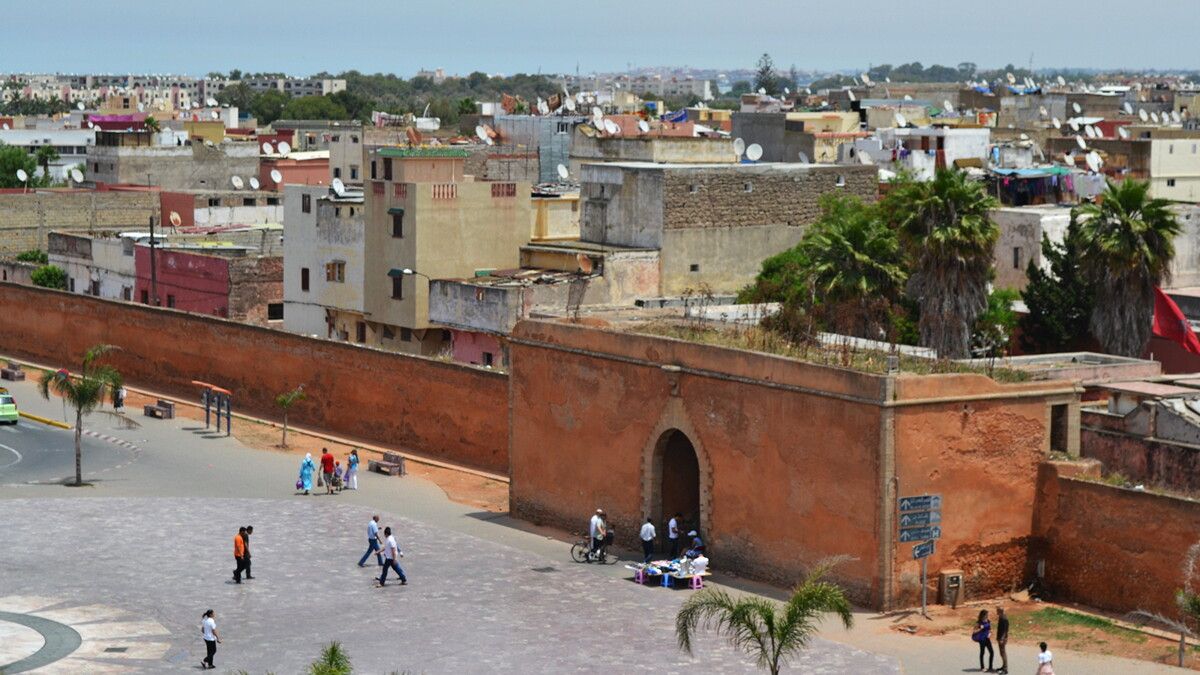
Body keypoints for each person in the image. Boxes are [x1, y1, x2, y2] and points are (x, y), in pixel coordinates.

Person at [995, 606, 1009, 674]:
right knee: (1001, 653)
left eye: (997, 610)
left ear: (1000, 611)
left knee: (1003, 653)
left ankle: (1005, 669)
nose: (996, 611)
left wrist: (1002, 639)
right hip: (1000, 638)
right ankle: (1003, 666)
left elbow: (1005, 630)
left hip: (1002, 638)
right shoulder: (1001, 617)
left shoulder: (1004, 618)